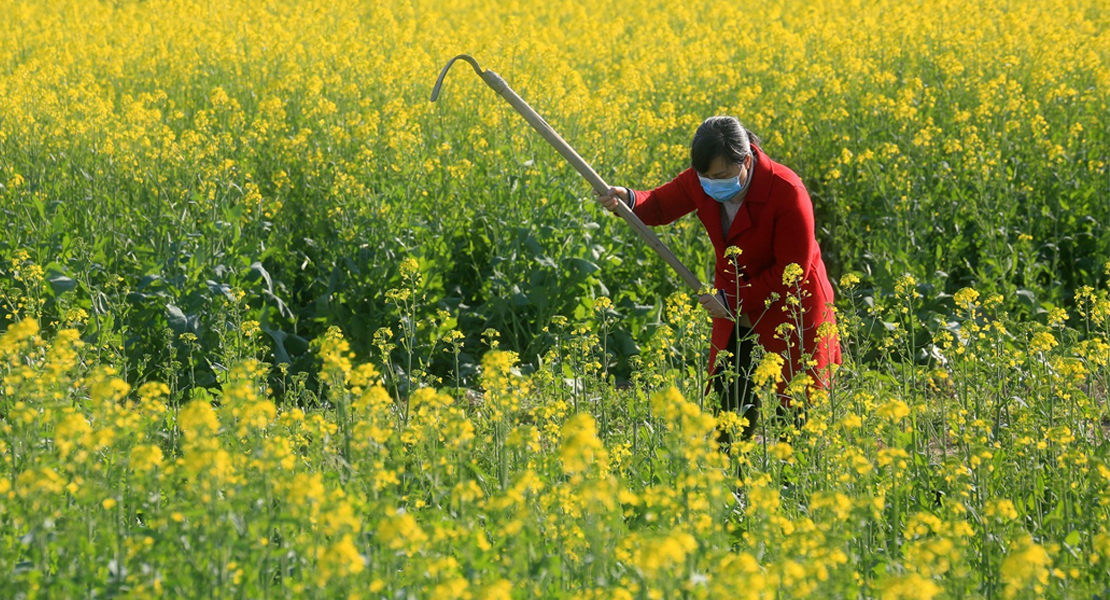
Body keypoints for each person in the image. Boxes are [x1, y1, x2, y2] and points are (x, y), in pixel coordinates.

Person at [594, 116, 842, 448]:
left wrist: (732, 299)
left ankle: (795, 488)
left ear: (747, 161)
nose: (712, 184)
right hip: (733, 300)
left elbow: (791, 269)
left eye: (722, 177)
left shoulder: (787, 191)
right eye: (706, 177)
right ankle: (731, 486)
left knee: (795, 408)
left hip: (791, 302)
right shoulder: (704, 179)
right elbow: (659, 206)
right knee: (731, 397)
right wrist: (627, 198)